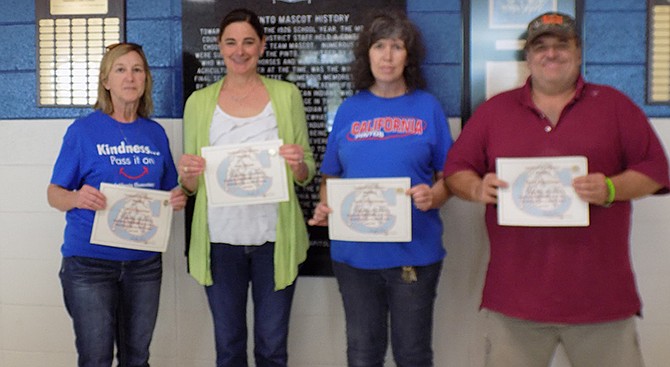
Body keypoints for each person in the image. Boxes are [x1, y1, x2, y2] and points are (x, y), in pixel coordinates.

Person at [443, 12, 670, 367]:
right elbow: (456, 170)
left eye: (561, 45)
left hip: (601, 300)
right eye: (541, 47)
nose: (551, 54)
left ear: (579, 53)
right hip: (515, 301)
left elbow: (656, 171)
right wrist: (475, 188)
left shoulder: (615, 106)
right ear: (528, 58)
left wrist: (611, 187)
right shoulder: (493, 112)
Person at [308, 10, 453, 367]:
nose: (387, 57)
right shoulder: (349, 110)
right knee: (362, 353)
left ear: (409, 56)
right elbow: (331, 176)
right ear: (367, 54)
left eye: (397, 47)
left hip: (413, 255)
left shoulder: (428, 107)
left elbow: (449, 176)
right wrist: (326, 206)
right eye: (379, 46)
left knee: (413, 354)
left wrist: (434, 196)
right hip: (356, 257)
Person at [179, 8, 315, 367]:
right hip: (220, 242)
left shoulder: (287, 96)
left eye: (248, 42)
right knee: (229, 346)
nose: (240, 51)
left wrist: (298, 164)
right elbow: (189, 185)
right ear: (220, 47)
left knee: (272, 348)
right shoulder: (198, 103)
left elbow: (307, 171)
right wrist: (189, 175)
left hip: (275, 240)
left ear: (262, 46)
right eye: (231, 42)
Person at [47, 42, 187, 367]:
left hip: (144, 264)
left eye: (137, 69)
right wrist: (77, 197)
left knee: (137, 358)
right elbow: (54, 193)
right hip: (90, 264)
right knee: (96, 358)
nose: (130, 77)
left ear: (146, 79)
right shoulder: (83, 131)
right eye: (120, 69)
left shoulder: (155, 133)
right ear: (106, 80)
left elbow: (169, 190)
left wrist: (177, 197)